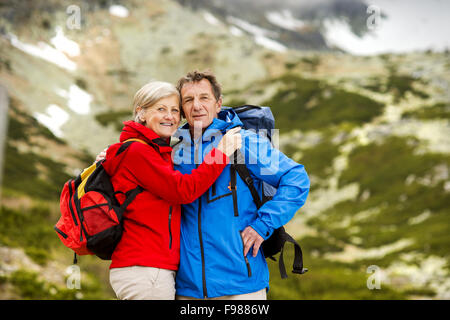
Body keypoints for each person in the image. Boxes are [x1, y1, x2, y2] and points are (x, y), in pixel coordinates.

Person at [172, 70, 310, 300]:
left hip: (242, 286)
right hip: (188, 291)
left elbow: (296, 178)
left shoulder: (243, 142)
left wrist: (262, 225)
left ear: (218, 104)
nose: (196, 106)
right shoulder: (175, 153)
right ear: (183, 110)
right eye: (188, 100)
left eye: (204, 98)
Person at [101, 81, 242, 300]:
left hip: (149, 268)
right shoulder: (138, 150)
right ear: (141, 113)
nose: (170, 116)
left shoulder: (151, 150)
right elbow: (182, 190)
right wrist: (220, 153)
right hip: (146, 269)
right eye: (161, 109)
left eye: (175, 110)